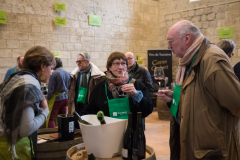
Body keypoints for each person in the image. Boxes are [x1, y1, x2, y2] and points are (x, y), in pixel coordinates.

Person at [158, 20, 240, 160]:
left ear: (187, 38)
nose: (168, 46)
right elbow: (200, 96)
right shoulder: (187, 61)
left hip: (209, 150)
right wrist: (176, 97)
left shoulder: (212, 59)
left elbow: (236, 102)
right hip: (192, 144)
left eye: (171, 41)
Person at [0, 46, 55, 160]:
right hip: (14, 147)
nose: (52, 73)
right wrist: (45, 111)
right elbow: (25, 129)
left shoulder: (17, 77)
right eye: (51, 67)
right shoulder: (31, 84)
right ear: (42, 66)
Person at [81, 52, 153, 129]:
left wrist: (136, 94)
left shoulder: (136, 85)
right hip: (108, 132)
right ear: (109, 67)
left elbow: (147, 110)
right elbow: (90, 111)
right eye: (116, 63)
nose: (120, 67)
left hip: (132, 133)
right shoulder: (100, 87)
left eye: (123, 63)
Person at [125, 51, 153, 130]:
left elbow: (150, 88)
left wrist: (143, 98)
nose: (128, 60)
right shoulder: (123, 72)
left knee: (139, 127)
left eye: (130, 58)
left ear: (134, 59)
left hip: (139, 103)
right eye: (126, 59)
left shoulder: (143, 71)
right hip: (126, 106)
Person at [47, 57, 71, 128]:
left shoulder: (53, 74)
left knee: (50, 118)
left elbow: (50, 89)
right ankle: (64, 132)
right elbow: (69, 87)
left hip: (56, 99)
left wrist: (48, 99)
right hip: (65, 98)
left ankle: (52, 134)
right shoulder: (67, 73)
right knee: (63, 117)